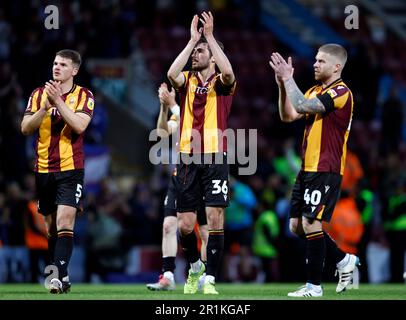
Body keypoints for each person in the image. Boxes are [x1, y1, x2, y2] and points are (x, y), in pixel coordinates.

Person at [269, 44, 359, 297]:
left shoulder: (342, 92)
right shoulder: (314, 90)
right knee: (296, 226)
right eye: (315, 60)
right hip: (307, 168)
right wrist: (281, 84)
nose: (315, 64)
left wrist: (289, 79)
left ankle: (314, 287)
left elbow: (304, 107)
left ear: (336, 66)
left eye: (321, 61)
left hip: (326, 167)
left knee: (311, 224)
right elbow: (288, 115)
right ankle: (343, 260)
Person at [167, 11, 236, 295]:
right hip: (187, 158)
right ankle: (195, 266)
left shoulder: (222, 83)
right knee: (185, 226)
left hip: (215, 157)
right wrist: (194, 39)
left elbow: (229, 72)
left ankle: (210, 279)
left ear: (214, 55)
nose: (195, 55)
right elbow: (171, 74)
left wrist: (210, 37)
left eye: (200, 52)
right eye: (194, 52)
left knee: (216, 218)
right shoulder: (187, 80)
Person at [21, 49, 94, 294]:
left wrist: (59, 103)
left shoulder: (84, 95)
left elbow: (80, 125)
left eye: (63, 64)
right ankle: (62, 275)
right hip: (43, 170)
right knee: (51, 227)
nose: (56, 67)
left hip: (71, 169)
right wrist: (44, 108)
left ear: (74, 70)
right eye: (55, 63)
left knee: (65, 221)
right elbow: (25, 128)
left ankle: (57, 276)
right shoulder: (38, 95)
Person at [146, 83, 209, 291]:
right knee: (168, 226)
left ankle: (204, 275)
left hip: (205, 174)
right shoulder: (179, 109)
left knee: (206, 232)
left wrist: (173, 104)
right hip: (180, 175)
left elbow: (195, 127)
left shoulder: (211, 104)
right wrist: (164, 107)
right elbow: (164, 132)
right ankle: (168, 275)